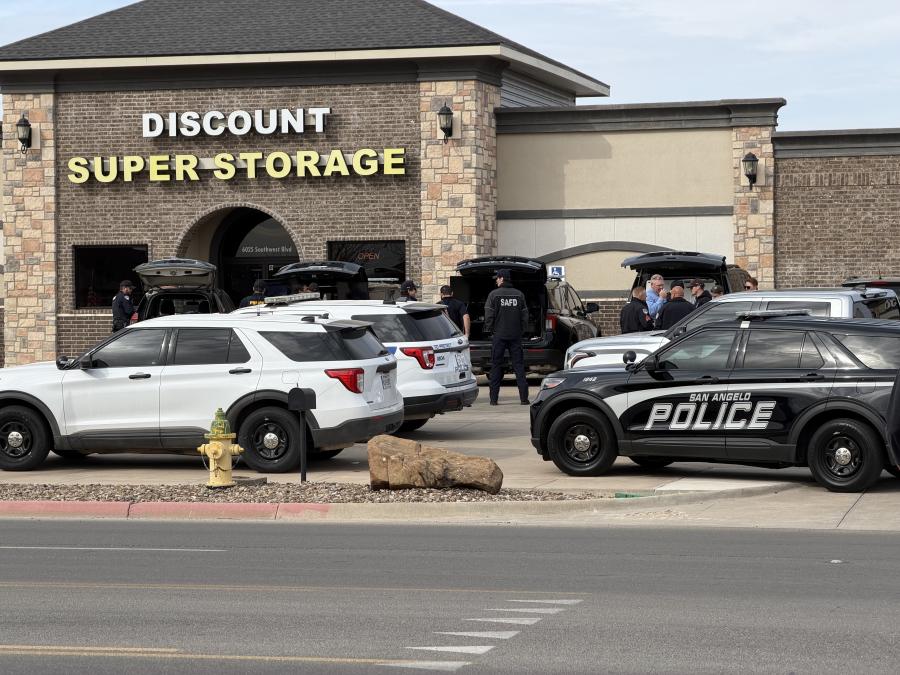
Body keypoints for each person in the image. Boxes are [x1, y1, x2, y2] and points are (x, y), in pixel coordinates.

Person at [484, 269, 530, 406]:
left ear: (502, 278)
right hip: (515, 336)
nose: (496, 280)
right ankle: (524, 399)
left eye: (497, 278)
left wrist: (491, 330)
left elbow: (489, 316)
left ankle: (493, 399)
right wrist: (521, 331)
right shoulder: (519, 295)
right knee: (519, 366)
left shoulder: (493, 295)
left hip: (499, 335)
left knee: (496, 366)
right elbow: (525, 317)